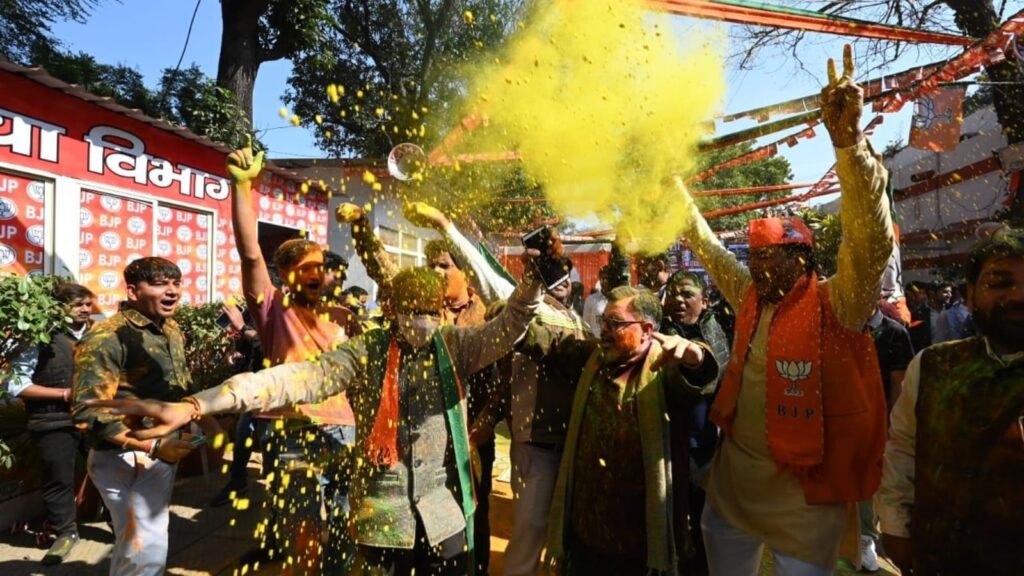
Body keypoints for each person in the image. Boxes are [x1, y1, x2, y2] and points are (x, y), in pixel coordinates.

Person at [84, 262, 548, 576]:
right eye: (413, 312)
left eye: (432, 312)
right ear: (391, 311)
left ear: (443, 311)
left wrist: (531, 285)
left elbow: (507, 328)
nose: (423, 322)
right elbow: (293, 380)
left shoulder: (456, 346)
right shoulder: (365, 351)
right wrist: (198, 405)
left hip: (446, 513)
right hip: (383, 515)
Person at [675, 45, 892, 575]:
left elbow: (870, 243)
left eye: (773, 258)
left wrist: (848, 146)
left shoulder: (839, 303)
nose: (761, 268)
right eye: (756, 257)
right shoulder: (748, 291)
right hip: (736, 479)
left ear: (803, 257)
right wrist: (671, 190)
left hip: (805, 493)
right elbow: (707, 246)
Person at [226, 140, 362, 573]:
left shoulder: (346, 314)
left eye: (319, 266)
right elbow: (249, 252)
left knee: (343, 513)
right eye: (304, 267)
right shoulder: (271, 307)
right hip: (288, 427)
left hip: (340, 429)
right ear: (285, 275)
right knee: (299, 518)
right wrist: (243, 189)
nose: (315, 274)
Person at [514, 286, 718, 575]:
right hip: (586, 534)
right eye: (604, 322)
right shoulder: (594, 358)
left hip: (639, 543)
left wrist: (695, 356)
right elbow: (552, 343)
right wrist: (509, 317)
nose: (605, 330)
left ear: (647, 330)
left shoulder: (664, 370)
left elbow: (700, 374)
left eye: (616, 323)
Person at [878, 227, 1024, 575]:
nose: (1019, 296)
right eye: (1000, 282)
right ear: (970, 295)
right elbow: (903, 449)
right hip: (941, 559)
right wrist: (896, 527)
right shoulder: (932, 366)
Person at [71, 258, 202, 576]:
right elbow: (86, 410)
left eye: (176, 283)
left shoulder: (169, 329)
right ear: (132, 290)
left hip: (161, 453)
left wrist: (196, 419)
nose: (172, 291)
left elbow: (179, 385)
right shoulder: (107, 337)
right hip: (125, 457)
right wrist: (152, 448)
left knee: (136, 548)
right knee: (147, 552)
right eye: (160, 283)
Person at [470, 260, 590, 576]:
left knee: (559, 536)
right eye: (552, 272)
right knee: (528, 536)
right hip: (536, 446)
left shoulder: (576, 320)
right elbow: (507, 378)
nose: (562, 279)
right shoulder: (525, 317)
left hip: (568, 447)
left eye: (567, 272)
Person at [8, 283, 95, 565]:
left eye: (87, 303)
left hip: (95, 419)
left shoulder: (99, 335)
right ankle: (65, 533)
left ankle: (121, 527)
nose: (85, 309)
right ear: (58, 307)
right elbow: (16, 385)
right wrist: (63, 394)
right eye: (78, 303)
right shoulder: (39, 337)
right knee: (58, 478)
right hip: (52, 420)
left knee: (110, 472)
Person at [659, 271, 730, 573]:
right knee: (666, 532)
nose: (678, 299)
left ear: (705, 300)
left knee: (706, 536)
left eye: (687, 294)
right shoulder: (657, 332)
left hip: (709, 451)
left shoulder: (718, 330)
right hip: (665, 451)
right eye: (673, 293)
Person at [857, 302, 915, 571]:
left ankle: (867, 536)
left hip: (879, 422)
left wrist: (892, 428)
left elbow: (898, 385)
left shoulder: (894, 334)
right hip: (845, 419)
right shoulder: (840, 327)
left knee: (872, 482)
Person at [909, 280, 952, 352]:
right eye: (945, 292)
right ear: (932, 293)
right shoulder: (920, 314)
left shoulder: (952, 310)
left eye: (950, 292)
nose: (949, 295)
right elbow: (916, 340)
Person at [582, 266, 611, 337]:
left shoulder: (618, 299)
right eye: (602, 278)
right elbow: (585, 324)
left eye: (607, 278)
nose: (605, 281)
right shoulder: (591, 299)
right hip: (595, 341)